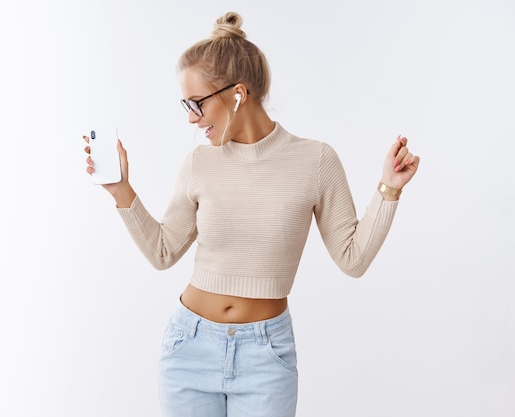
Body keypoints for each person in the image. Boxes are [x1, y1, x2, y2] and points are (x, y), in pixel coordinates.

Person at [83, 11, 419, 417]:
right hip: (189, 347)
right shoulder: (199, 163)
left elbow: (353, 259)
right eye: (186, 105)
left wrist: (389, 190)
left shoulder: (315, 161)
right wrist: (121, 191)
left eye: (197, 103)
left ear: (238, 93)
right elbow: (162, 253)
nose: (191, 117)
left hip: (266, 357)